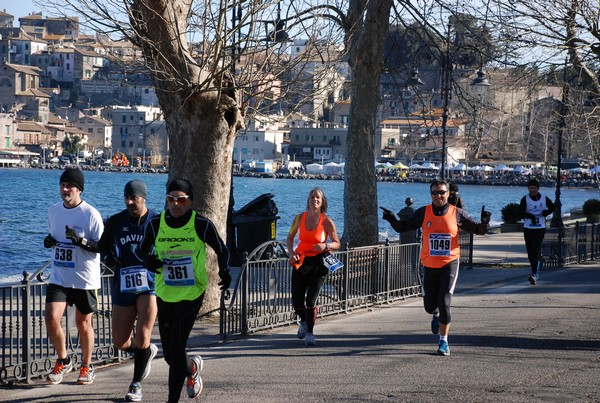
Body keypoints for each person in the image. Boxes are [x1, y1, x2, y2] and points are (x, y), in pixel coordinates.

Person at [139, 178, 231, 403]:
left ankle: (172, 400)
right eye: (171, 199)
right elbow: (142, 251)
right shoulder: (155, 224)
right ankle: (193, 368)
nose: (175, 204)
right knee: (171, 355)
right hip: (165, 293)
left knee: (177, 344)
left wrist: (225, 272)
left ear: (190, 202)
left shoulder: (201, 224)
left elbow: (222, 249)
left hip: (192, 293)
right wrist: (150, 262)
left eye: (181, 200)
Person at [382, 180, 490, 356]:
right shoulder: (423, 213)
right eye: (435, 193)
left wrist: (485, 222)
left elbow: (477, 229)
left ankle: (443, 342)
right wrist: (391, 218)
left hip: (450, 264)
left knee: (445, 302)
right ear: (430, 194)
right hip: (429, 265)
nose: (438, 196)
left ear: (448, 193)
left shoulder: (457, 213)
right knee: (430, 306)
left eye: (441, 192)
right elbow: (403, 227)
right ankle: (436, 314)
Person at [95, 180, 158, 402]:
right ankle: (146, 353)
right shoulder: (116, 221)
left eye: (135, 198)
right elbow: (102, 247)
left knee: (142, 335)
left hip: (149, 286)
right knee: (120, 342)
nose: (130, 202)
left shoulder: (157, 221)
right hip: (123, 285)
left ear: (144, 198)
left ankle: (136, 384)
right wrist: (109, 257)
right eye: (127, 198)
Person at [43, 168, 104, 385]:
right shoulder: (53, 211)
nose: (64, 189)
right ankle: (63, 359)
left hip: (84, 278)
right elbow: (53, 236)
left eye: (69, 186)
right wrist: (48, 241)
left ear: (79, 189)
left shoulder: (91, 214)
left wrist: (81, 242)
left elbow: (101, 247)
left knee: (83, 323)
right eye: (62, 185)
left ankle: (87, 366)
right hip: (59, 275)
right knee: (51, 317)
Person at [286, 187, 341, 346]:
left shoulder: (327, 221)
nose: (314, 200)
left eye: (318, 198)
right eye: (312, 197)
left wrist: (326, 246)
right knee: (296, 301)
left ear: (322, 202)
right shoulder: (299, 218)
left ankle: (310, 333)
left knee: (310, 300)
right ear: (308, 200)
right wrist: (291, 253)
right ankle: (303, 321)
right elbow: (290, 238)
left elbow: (337, 243)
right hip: (301, 261)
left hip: (319, 263)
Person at [519, 178, 554, 285]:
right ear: (528, 189)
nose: (532, 190)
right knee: (530, 252)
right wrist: (529, 215)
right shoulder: (525, 199)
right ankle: (533, 269)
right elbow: (520, 213)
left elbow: (552, 207)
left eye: (534, 188)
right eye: (530, 188)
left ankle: (534, 274)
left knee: (536, 250)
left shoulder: (544, 198)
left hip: (540, 228)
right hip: (528, 228)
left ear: (538, 188)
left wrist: (546, 212)